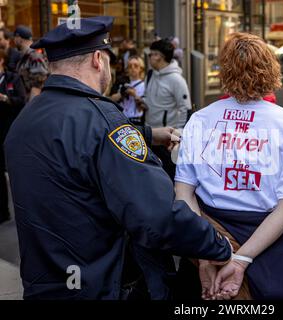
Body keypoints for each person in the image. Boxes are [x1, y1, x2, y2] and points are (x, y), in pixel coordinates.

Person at [4, 16, 233, 300]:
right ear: (98, 60)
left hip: (45, 283)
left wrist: (146, 134)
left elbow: (71, 146)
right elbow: (157, 217)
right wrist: (220, 246)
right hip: (101, 285)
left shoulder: (26, 119)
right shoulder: (103, 120)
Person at [175, 32, 283, 300]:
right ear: (271, 69)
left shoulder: (199, 120)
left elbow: (183, 194)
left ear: (223, 71)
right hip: (269, 242)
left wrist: (205, 255)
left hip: (207, 235)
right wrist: (240, 261)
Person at [144, 38, 192, 180]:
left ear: (159, 56)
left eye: (151, 54)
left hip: (166, 140)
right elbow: (149, 97)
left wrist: (176, 137)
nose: (149, 58)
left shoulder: (177, 80)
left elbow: (186, 109)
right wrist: (143, 102)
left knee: (168, 177)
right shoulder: (151, 74)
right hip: (150, 135)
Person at [0, 48, 26, 224]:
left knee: (16, 172)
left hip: (10, 130)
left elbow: (21, 99)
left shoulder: (13, 78)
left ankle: (25, 210)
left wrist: (4, 98)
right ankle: (3, 212)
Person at [14, 25, 49, 101]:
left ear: (19, 38)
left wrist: (30, 107)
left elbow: (38, 84)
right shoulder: (24, 57)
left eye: (15, 37)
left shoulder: (34, 57)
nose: (14, 40)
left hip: (32, 102)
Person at [110, 55, 147, 125]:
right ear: (127, 69)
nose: (133, 68)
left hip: (137, 120)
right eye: (130, 66)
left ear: (141, 69)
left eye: (136, 66)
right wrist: (122, 93)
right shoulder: (121, 82)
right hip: (121, 119)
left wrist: (135, 95)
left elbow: (144, 107)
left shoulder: (144, 85)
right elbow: (111, 99)